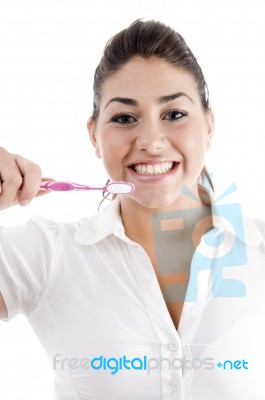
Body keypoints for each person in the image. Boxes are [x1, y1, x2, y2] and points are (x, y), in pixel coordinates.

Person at [0, 19, 264, 400]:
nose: (151, 142)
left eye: (174, 114)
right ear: (94, 135)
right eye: (124, 118)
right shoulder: (46, 254)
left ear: (209, 125)